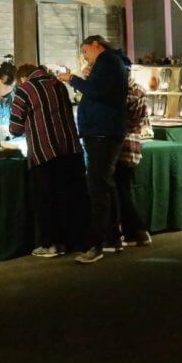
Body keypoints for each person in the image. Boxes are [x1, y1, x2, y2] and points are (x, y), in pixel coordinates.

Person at [58, 35, 130, 265]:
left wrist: (73, 79)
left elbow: (95, 90)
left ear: (96, 45)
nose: (85, 57)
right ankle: (114, 238)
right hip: (104, 130)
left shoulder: (108, 62)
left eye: (86, 52)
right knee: (106, 184)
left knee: (98, 187)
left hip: (102, 132)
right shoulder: (111, 64)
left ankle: (96, 244)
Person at [10, 64, 87, 257]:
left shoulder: (25, 89)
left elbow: (15, 128)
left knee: (46, 200)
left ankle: (49, 244)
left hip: (45, 153)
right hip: (71, 150)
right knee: (71, 199)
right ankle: (74, 242)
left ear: (22, 78)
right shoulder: (59, 85)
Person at [114, 78, 153, 248]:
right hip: (133, 144)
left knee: (122, 192)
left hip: (121, 145)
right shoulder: (140, 90)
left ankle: (140, 230)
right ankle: (133, 233)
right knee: (125, 189)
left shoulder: (120, 93)